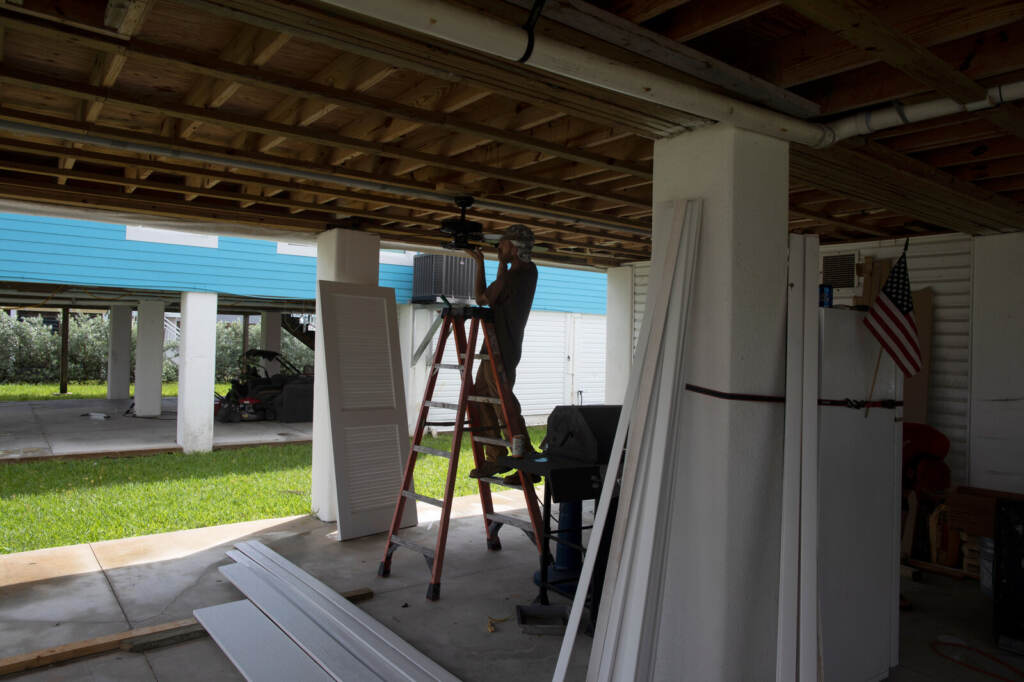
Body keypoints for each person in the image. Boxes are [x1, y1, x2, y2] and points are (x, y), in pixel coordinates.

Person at [463, 224, 537, 481]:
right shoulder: (529, 271)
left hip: (499, 348)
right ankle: (496, 457)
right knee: (484, 395)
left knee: (504, 403)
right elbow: (501, 289)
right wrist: (502, 263)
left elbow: (481, 297)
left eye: (504, 244)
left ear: (514, 249)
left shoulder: (511, 277)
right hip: (502, 345)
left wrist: (480, 262)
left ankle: (524, 461)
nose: (500, 248)